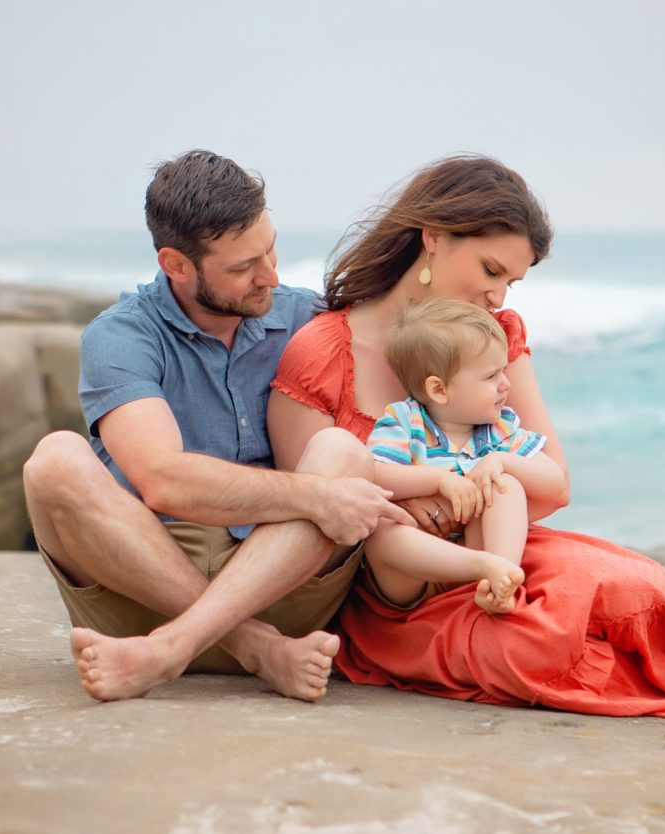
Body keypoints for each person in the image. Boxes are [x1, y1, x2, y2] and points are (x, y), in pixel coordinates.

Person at [267, 153, 665, 719]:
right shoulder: (323, 353)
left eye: (511, 282)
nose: (498, 297)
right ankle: (633, 663)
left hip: (498, 541)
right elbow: (316, 523)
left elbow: (554, 485)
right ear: (434, 237)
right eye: (491, 271)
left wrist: (480, 477)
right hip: (394, 590)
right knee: (535, 645)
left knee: (627, 583)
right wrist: (418, 495)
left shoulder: (496, 335)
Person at [21, 150, 414, 702]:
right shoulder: (121, 337)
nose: (271, 276)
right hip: (140, 599)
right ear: (176, 265)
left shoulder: (310, 318)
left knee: (339, 451)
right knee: (55, 458)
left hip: (279, 586)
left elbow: (433, 334)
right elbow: (163, 480)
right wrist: (316, 497)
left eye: (270, 249)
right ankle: (252, 648)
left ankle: (173, 649)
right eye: (242, 267)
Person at [363, 296, 565, 615]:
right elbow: (373, 474)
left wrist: (501, 461)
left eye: (503, 372)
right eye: (490, 376)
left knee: (507, 484)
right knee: (383, 530)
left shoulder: (498, 429)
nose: (506, 384)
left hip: (476, 557)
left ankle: (501, 579)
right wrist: (441, 480)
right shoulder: (405, 421)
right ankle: (486, 566)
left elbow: (556, 483)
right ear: (439, 390)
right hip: (414, 575)